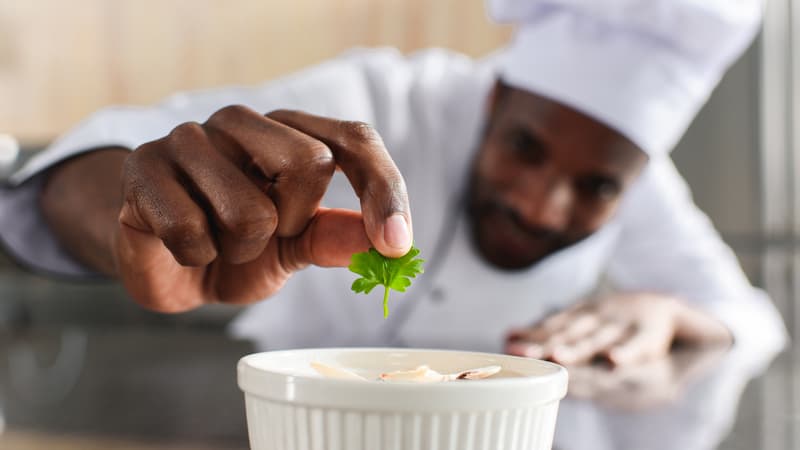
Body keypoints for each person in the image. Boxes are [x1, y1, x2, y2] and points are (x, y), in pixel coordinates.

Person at [0, 0, 786, 366]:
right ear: (494, 95)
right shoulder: (370, 107)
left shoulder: (638, 189)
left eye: (597, 186)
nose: (544, 204)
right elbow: (98, 170)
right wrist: (137, 206)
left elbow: (750, 322)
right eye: (525, 146)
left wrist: (667, 307)